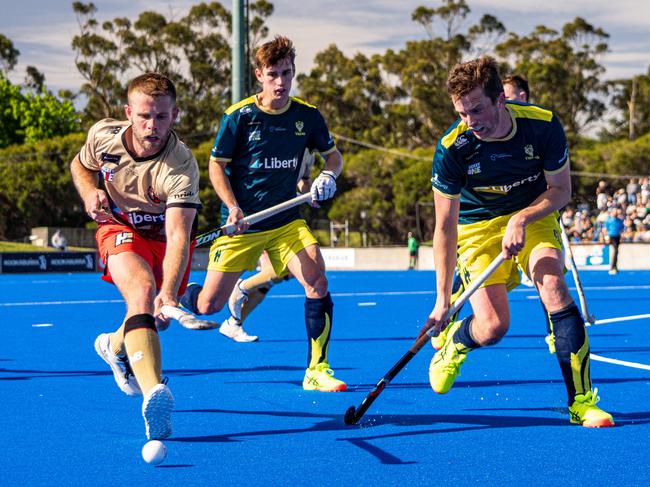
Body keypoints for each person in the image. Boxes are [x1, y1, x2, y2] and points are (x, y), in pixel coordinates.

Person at [422, 57, 613, 427]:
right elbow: (444, 227)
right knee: (494, 327)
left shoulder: (541, 125)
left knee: (554, 287)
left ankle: (582, 402)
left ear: (500, 100)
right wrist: (442, 300)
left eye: (477, 109)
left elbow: (561, 190)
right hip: (476, 226)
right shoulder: (453, 147)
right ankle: (458, 342)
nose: (470, 121)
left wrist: (522, 218)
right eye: (462, 112)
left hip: (532, 212)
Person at [180, 35, 346, 392]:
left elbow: (332, 157)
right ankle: (180, 291)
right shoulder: (239, 117)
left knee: (318, 281)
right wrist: (234, 207)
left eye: (286, 73)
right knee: (208, 305)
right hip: (243, 224)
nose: (281, 82)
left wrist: (327, 176)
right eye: (272, 74)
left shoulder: (307, 116)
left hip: (286, 222)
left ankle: (317, 370)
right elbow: (215, 166)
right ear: (259, 75)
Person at [70, 73, 201, 440]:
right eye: (144, 115)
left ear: (174, 114)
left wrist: (171, 291)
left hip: (164, 239)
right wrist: (89, 192)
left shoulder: (180, 166)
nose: (152, 125)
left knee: (153, 318)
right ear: (128, 112)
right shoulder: (104, 136)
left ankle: (113, 345)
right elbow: (80, 166)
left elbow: (178, 235)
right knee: (142, 292)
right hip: (117, 227)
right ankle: (154, 393)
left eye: (161, 117)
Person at [219, 149, 316, 343]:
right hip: (264, 219)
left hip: (285, 219)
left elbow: (303, 179)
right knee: (276, 274)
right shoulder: (285, 140)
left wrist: (313, 193)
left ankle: (234, 323)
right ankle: (242, 287)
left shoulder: (309, 151)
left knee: (272, 280)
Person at [604, 208, 624, 274]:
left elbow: (621, 229)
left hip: (617, 236)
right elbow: (605, 229)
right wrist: (606, 238)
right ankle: (612, 267)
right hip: (611, 236)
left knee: (616, 252)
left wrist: (621, 237)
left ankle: (615, 266)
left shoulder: (619, 221)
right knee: (615, 251)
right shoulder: (609, 220)